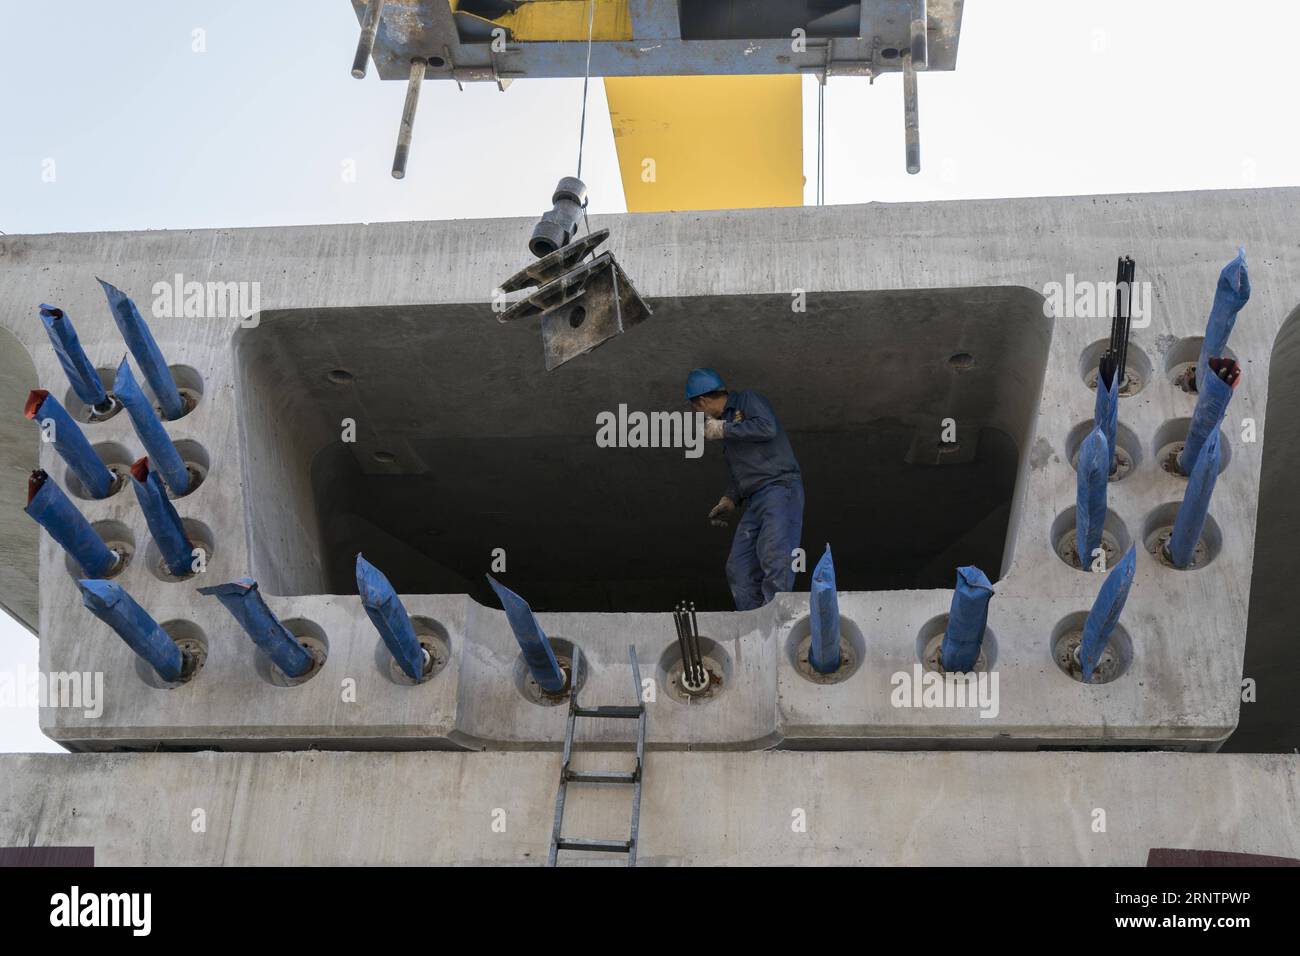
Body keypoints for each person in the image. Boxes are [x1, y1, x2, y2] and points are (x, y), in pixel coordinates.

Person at [685, 368, 804, 611]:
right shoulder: (727, 426)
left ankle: (773, 616)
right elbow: (740, 470)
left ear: (703, 401)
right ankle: (753, 619)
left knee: (774, 554)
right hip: (754, 499)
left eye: (696, 408)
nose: (699, 414)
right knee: (738, 566)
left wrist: (725, 429)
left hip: (779, 489)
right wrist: (730, 498)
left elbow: (767, 428)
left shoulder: (748, 400)